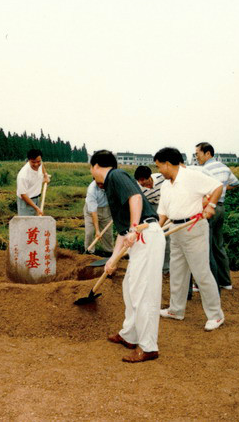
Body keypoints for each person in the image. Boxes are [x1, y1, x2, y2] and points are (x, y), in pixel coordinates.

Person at [90, 150, 165, 363]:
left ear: (95, 166)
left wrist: (134, 227)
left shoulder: (116, 175)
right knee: (130, 288)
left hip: (145, 235)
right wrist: (113, 260)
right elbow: (122, 234)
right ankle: (130, 335)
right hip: (137, 238)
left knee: (144, 293)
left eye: (91, 169)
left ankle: (149, 346)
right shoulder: (111, 186)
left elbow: (135, 197)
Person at [154, 147, 226, 331]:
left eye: (159, 166)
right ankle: (176, 310)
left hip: (194, 229)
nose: (159, 171)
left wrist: (210, 205)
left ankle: (216, 316)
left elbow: (217, 186)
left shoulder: (190, 176)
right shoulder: (165, 184)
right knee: (177, 271)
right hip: (175, 229)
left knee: (201, 272)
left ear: (168, 164)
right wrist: (155, 229)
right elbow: (162, 212)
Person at [194, 142, 239, 290]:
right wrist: (222, 190)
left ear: (207, 153)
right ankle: (225, 282)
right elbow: (236, 183)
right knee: (218, 245)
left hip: (209, 208)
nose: (196, 157)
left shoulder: (204, 170)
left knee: (204, 246)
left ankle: (203, 284)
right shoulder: (224, 168)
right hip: (220, 208)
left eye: (197, 154)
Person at [134, 165, 170, 275]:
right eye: (139, 181)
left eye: (143, 180)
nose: (141, 183)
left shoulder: (162, 179)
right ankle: (151, 265)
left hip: (165, 205)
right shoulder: (138, 187)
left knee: (165, 236)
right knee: (150, 236)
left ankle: (165, 267)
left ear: (149, 177)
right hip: (151, 207)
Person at [83, 180, 114, 255]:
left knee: (107, 234)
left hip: (106, 209)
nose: (100, 185)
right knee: (89, 233)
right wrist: (97, 230)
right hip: (91, 211)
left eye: (102, 183)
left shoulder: (112, 185)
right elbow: (93, 212)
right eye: (98, 183)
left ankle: (109, 252)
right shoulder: (92, 189)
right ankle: (89, 252)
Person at [16, 148, 50, 216]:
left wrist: (45, 175)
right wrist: (36, 208)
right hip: (26, 202)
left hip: (36, 198)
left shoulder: (39, 163)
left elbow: (42, 165)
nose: (36, 164)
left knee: (36, 223)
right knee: (26, 224)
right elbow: (23, 195)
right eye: (33, 162)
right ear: (29, 160)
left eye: (38, 161)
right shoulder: (23, 175)